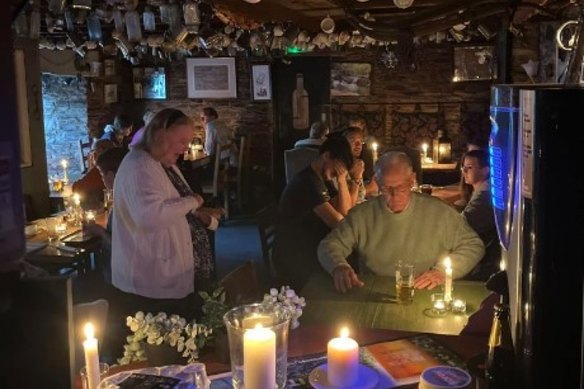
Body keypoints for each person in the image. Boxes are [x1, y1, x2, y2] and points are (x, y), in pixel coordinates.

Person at [318, 151, 484, 293]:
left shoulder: (441, 213)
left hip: (426, 291)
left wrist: (442, 272)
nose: (394, 195)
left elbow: (473, 245)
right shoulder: (362, 215)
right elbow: (329, 246)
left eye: (401, 187)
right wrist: (339, 266)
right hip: (373, 292)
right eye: (386, 189)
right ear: (377, 182)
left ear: (412, 180)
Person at [111, 108, 214, 318]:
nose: (186, 148)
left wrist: (199, 212)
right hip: (150, 278)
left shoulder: (160, 161)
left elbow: (173, 203)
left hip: (170, 273)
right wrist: (191, 201)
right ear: (161, 135)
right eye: (182, 141)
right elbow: (149, 217)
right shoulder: (140, 166)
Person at [273, 134, 354, 290]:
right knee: (348, 260)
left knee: (347, 256)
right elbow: (337, 223)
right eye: (337, 168)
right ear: (326, 156)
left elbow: (345, 211)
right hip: (294, 252)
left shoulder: (324, 178)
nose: (337, 174)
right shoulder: (308, 182)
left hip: (309, 242)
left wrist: (342, 180)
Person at [82, 147, 128, 284]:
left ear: (112, 175)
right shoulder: (128, 195)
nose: (102, 180)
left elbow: (122, 246)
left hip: (120, 275)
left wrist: (99, 231)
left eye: (102, 175)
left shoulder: (123, 204)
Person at [460, 149, 500, 280]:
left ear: (485, 170)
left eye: (469, 168)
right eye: (463, 167)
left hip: (485, 260)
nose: (464, 171)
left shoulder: (485, 194)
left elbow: (463, 224)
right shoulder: (482, 189)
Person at [71, 139, 115, 209]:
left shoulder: (100, 169)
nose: (92, 156)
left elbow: (77, 187)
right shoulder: (119, 163)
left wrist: (92, 169)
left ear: (98, 152)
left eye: (92, 152)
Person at [342, 127, 378, 205]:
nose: (358, 145)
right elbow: (349, 202)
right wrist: (370, 188)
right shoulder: (341, 166)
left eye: (361, 142)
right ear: (343, 143)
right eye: (353, 141)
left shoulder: (357, 163)